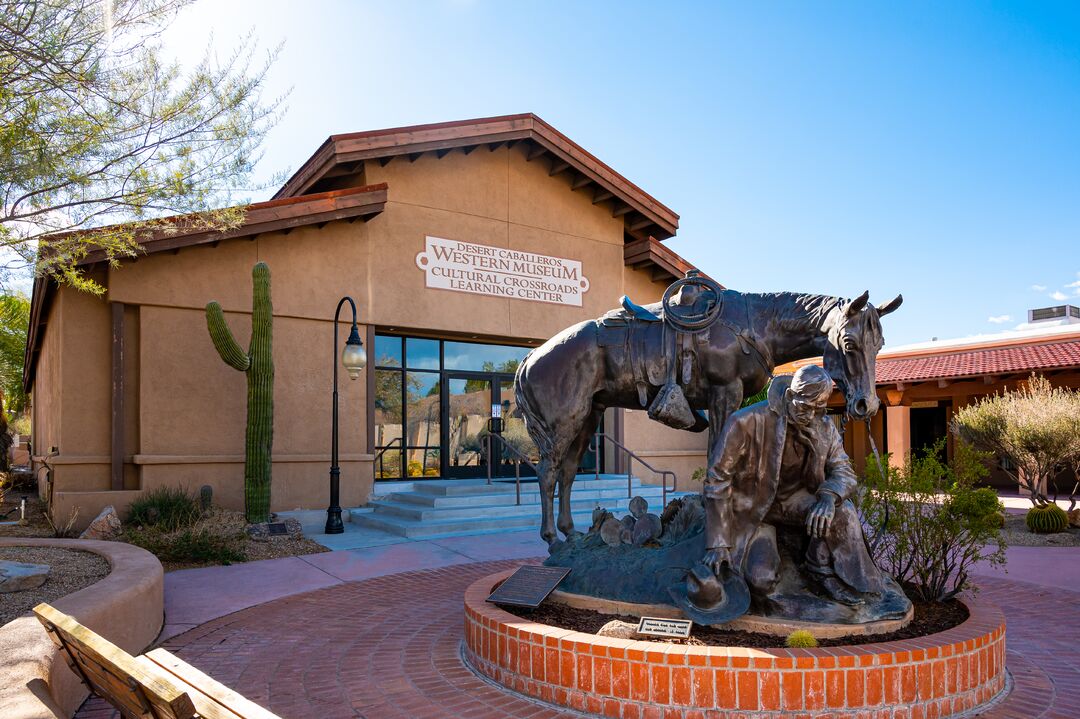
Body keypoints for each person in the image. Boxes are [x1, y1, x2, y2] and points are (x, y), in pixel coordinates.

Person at [701, 364, 884, 606]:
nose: (810, 416)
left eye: (818, 409)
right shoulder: (745, 422)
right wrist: (718, 543)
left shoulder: (824, 426)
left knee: (843, 511)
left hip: (796, 501)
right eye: (805, 407)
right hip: (755, 510)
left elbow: (843, 471)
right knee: (761, 581)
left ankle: (848, 582)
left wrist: (829, 497)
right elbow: (717, 479)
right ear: (789, 396)